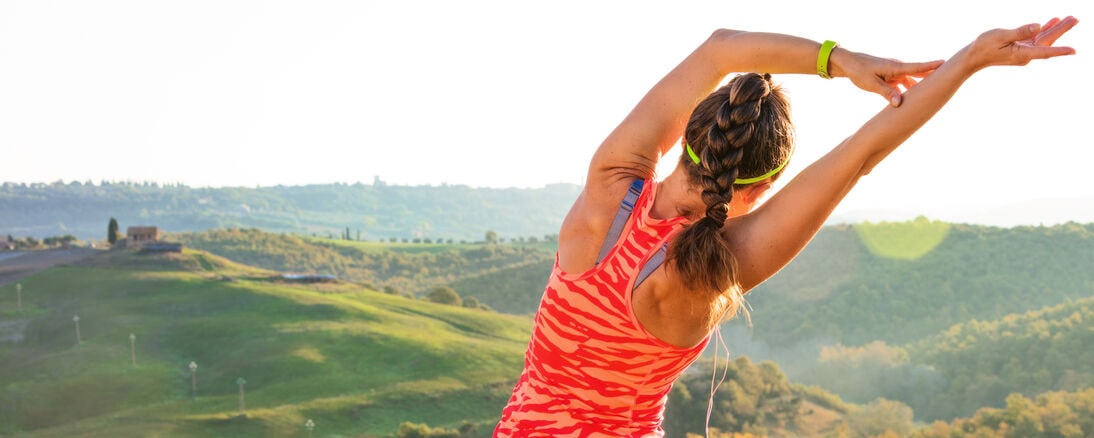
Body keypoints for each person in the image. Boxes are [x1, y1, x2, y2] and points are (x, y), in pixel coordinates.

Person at [494, 16, 1078, 437]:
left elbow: (720, 49)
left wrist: (842, 60)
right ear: (765, 187)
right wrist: (971, 59)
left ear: (691, 133)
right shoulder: (711, 270)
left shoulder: (609, 183)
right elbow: (865, 150)